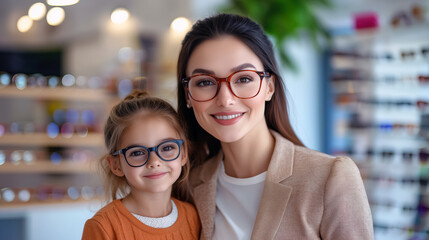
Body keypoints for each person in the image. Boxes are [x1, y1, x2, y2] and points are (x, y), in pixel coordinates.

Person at [177, 13, 373, 240]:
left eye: (243, 79)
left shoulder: (330, 177)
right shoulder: (188, 185)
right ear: (188, 95)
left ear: (269, 87)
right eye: (205, 82)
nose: (225, 99)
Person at [82, 90, 201, 240]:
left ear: (183, 154)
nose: (154, 162)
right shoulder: (104, 226)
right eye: (137, 153)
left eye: (167, 148)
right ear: (115, 165)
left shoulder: (195, 217)